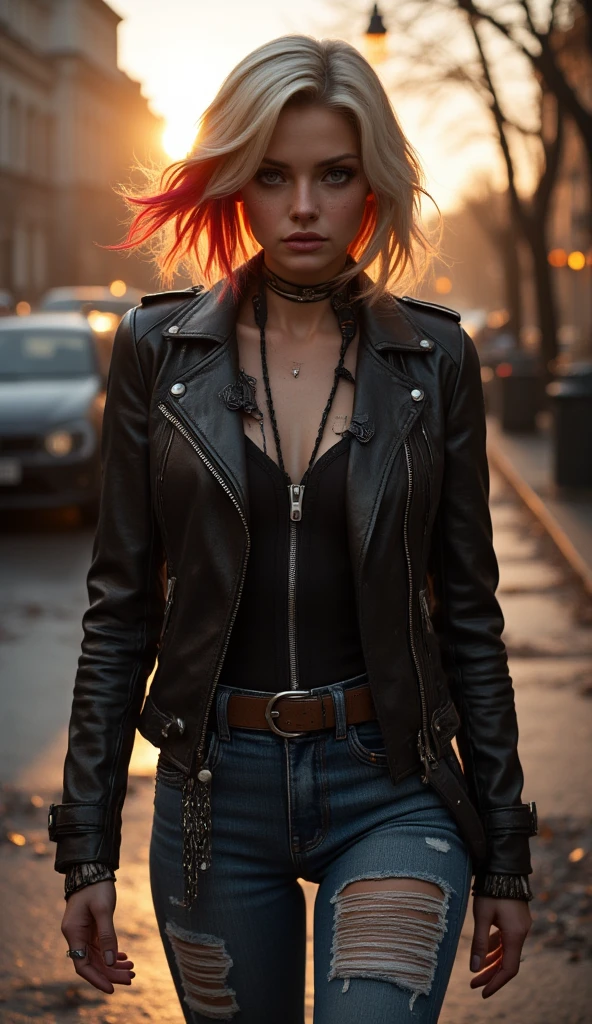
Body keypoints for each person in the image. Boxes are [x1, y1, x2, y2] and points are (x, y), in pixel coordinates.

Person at [49, 35, 536, 1024]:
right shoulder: (158, 349)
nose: (303, 205)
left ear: (373, 186)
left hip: (391, 783)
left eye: (333, 174)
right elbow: (119, 610)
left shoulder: (433, 359)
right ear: (236, 184)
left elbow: (470, 618)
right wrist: (86, 846)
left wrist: (508, 856)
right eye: (272, 176)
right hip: (211, 802)